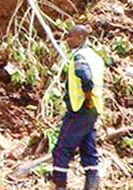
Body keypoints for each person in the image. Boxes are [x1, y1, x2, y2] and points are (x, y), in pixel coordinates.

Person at [52, 24, 106, 190]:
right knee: (88, 149)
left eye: (71, 36)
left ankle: (59, 186)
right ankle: (92, 186)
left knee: (62, 149)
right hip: (93, 109)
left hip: (80, 109)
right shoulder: (96, 57)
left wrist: (87, 98)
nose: (68, 40)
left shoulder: (79, 57)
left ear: (81, 38)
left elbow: (86, 78)